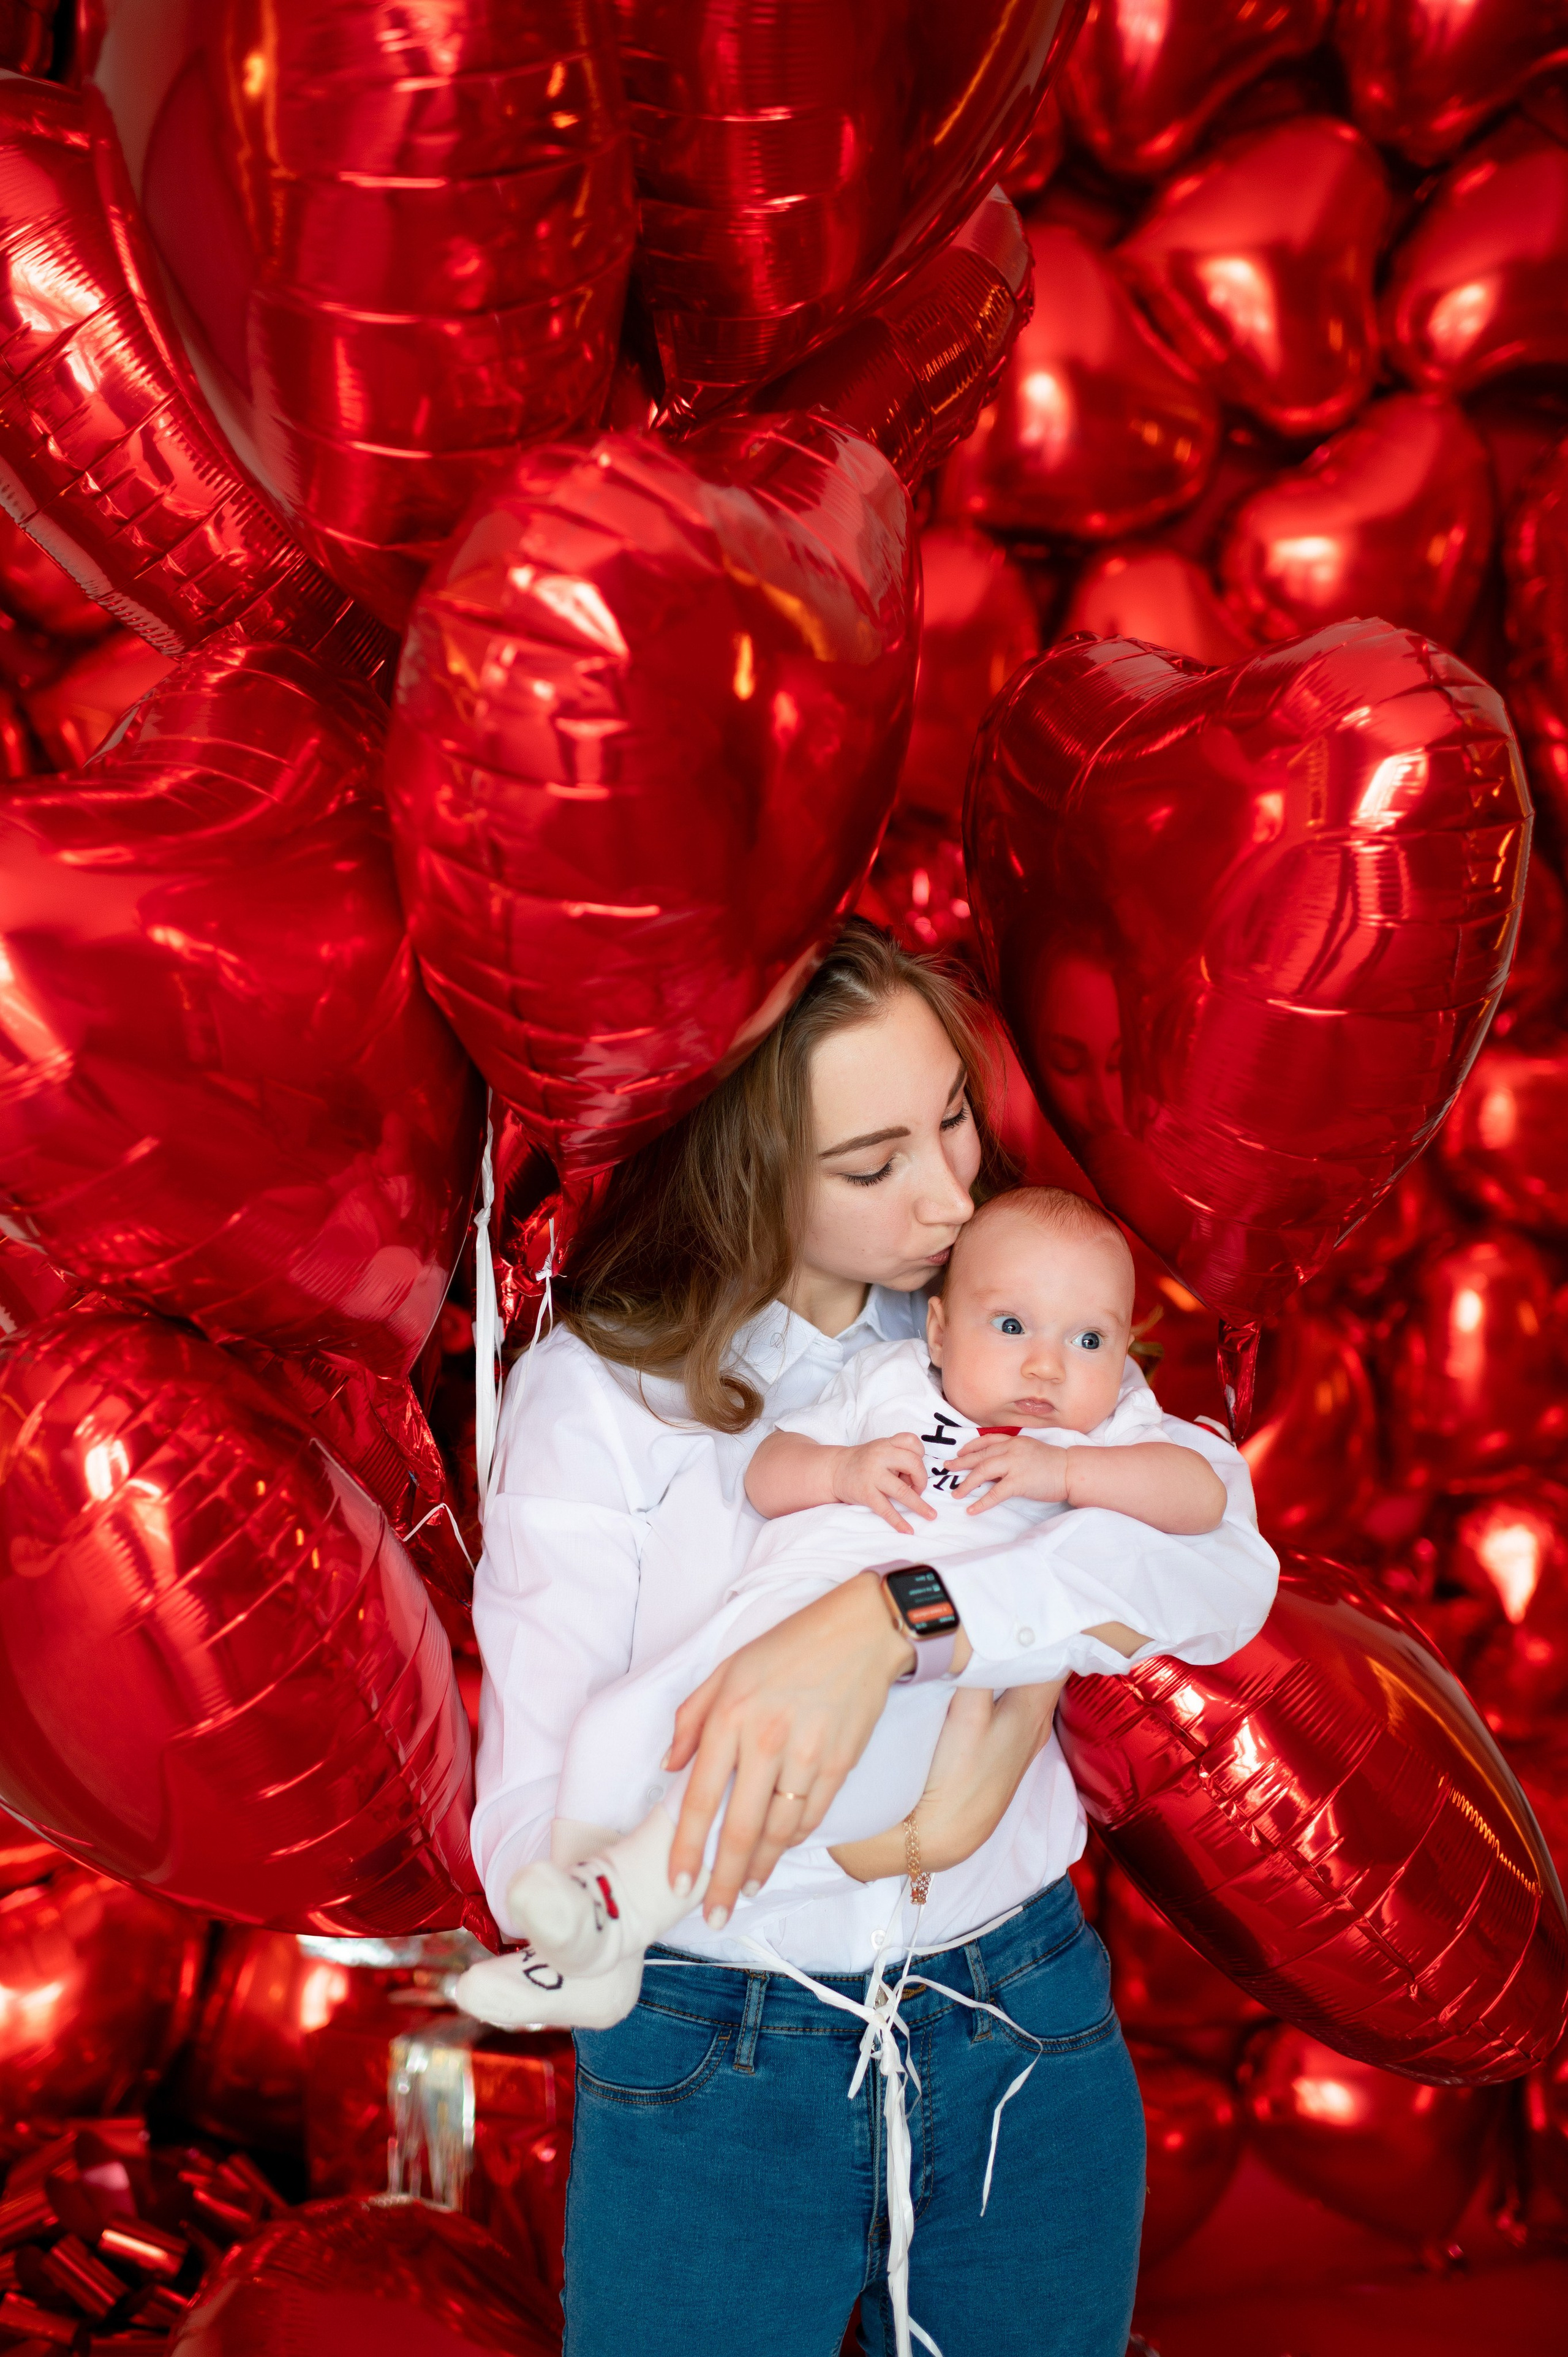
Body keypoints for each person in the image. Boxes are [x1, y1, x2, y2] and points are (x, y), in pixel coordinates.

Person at [464, 920, 1278, 2357]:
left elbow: (1216, 1560)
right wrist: (751, 1749)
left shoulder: (1002, 1310)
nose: (952, 1192)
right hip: (713, 2049)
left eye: (954, 1118)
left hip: (1013, 2008)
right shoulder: (596, 1402)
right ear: (738, 1160)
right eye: (872, 1163)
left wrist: (906, 1622)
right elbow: (528, 1825)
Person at [460, 1185, 1253, 2028]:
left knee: (756, 1780)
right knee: (615, 1730)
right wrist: (841, 1472)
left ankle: (613, 1915)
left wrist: (1067, 1477)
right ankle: (582, 1960)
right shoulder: (892, 1380)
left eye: (1089, 1339)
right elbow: (766, 1473)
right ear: (941, 1330)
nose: (1048, 1365)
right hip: (760, 1638)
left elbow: (1203, 1504)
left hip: (907, 1699)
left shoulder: (1098, 1431)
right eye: (1012, 1327)